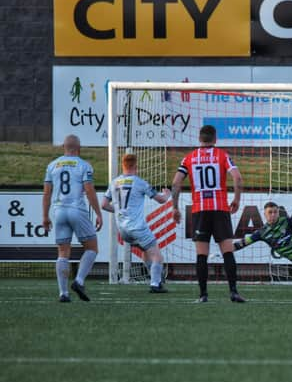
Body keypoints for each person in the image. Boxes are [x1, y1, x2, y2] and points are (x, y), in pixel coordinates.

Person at [171, 125, 245, 303]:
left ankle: (203, 295)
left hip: (200, 211)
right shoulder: (222, 155)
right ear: (215, 139)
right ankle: (233, 292)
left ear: (199, 138)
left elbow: (175, 184)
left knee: (201, 254)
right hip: (220, 209)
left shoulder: (189, 158)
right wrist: (236, 199)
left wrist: (175, 207)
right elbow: (237, 177)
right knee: (227, 251)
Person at [42, 134, 103, 302]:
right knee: (92, 248)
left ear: (63, 147)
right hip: (77, 210)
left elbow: (47, 193)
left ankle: (63, 293)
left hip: (59, 211)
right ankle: (79, 281)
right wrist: (98, 213)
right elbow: (89, 190)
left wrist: (45, 216)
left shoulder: (52, 165)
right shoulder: (84, 165)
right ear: (79, 149)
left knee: (63, 252)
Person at [101, 154, 171, 293]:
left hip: (123, 230)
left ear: (123, 165)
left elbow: (103, 205)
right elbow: (161, 200)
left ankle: (154, 278)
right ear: (136, 166)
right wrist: (167, 194)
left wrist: (119, 211)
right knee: (157, 256)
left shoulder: (114, 182)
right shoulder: (140, 182)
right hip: (137, 226)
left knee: (146, 250)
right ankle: (155, 284)